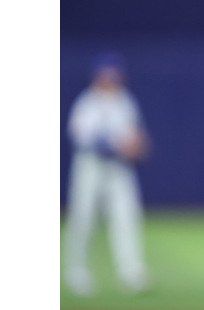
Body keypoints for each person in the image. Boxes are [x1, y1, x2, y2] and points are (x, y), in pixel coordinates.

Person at [63, 52, 151, 296]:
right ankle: (76, 272)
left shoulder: (125, 101)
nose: (112, 79)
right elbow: (83, 138)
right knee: (83, 219)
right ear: (98, 76)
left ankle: (131, 273)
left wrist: (137, 145)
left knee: (126, 217)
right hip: (90, 168)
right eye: (107, 74)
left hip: (119, 170)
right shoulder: (87, 102)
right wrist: (118, 145)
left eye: (115, 74)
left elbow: (136, 136)